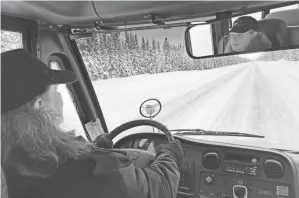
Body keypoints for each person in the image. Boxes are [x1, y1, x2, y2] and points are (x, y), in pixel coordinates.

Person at [1, 49, 184, 198]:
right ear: (38, 106)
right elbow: (159, 188)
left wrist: (93, 149)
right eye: (55, 90)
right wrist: (170, 155)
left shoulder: (9, 164)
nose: (60, 97)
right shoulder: (91, 172)